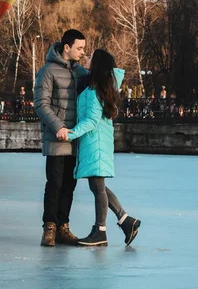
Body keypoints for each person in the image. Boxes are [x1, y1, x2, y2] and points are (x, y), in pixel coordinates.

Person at [68, 49, 141, 247]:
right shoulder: (101, 86)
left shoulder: (94, 92)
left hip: (95, 142)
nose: (86, 58)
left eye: (90, 57)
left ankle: (100, 231)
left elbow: (91, 121)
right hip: (98, 141)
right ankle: (126, 221)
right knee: (96, 185)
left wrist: (70, 133)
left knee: (97, 186)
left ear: (97, 64)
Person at [34, 29, 89, 247]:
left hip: (76, 139)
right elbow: (41, 104)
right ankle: (49, 227)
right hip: (57, 138)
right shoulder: (47, 71)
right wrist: (58, 126)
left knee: (69, 185)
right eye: (79, 48)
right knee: (55, 184)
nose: (82, 52)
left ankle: (63, 226)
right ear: (67, 48)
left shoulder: (81, 73)